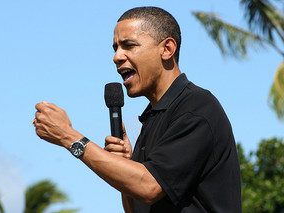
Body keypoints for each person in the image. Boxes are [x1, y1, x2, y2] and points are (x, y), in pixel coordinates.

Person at [33, 6, 242, 213]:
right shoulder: (153, 117)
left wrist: (70, 138)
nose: (117, 56)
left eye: (128, 45)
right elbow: (135, 207)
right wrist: (124, 166)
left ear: (167, 49)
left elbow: (149, 187)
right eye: (115, 48)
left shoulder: (196, 108)